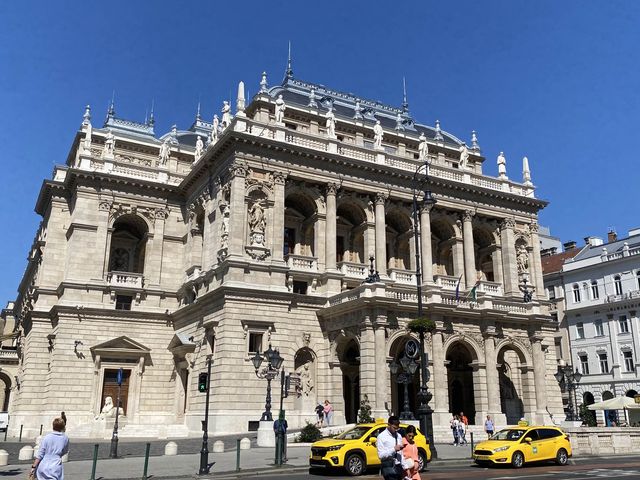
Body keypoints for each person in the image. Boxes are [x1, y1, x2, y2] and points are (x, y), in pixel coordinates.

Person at [376, 416, 405, 480]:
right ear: (389, 425)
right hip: (388, 467)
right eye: (394, 428)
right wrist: (393, 449)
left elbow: (401, 454)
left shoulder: (398, 436)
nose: (395, 430)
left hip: (398, 466)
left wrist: (405, 466)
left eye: (397, 428)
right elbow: (381, 455)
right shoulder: (381, 437)